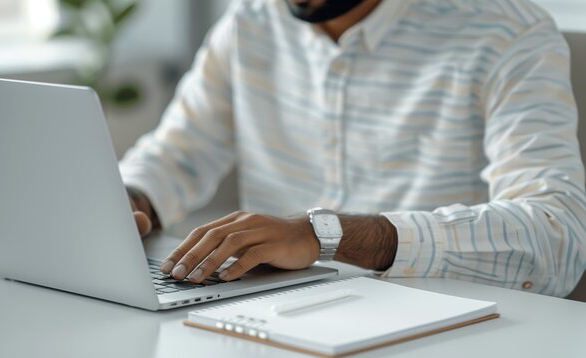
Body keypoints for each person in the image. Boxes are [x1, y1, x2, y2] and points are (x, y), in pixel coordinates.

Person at [120, 0, 586, 297]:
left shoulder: (509, 33)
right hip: (269, 313)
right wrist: (128, 199)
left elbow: (557, 237)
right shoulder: (250, 21)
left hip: (444, 323)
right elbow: (176, 155)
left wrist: (325, 234)